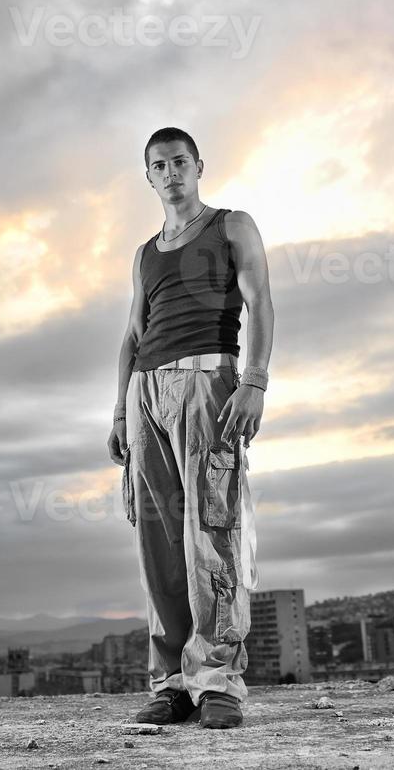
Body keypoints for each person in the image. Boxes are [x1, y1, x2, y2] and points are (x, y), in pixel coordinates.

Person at [107, 127, 274, 731]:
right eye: (159, 165)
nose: (171, 171)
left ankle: (218, 680)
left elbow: (261, 301)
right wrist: (122, 411)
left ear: (199, 165)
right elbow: (131, 333)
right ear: (147, 176)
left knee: (212, 529)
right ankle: (172, 682)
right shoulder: (144, 252)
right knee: (158, 544)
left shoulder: (232, 225)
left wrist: (253, 381)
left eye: (180, 161)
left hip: (208, 383)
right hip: (145, 393)